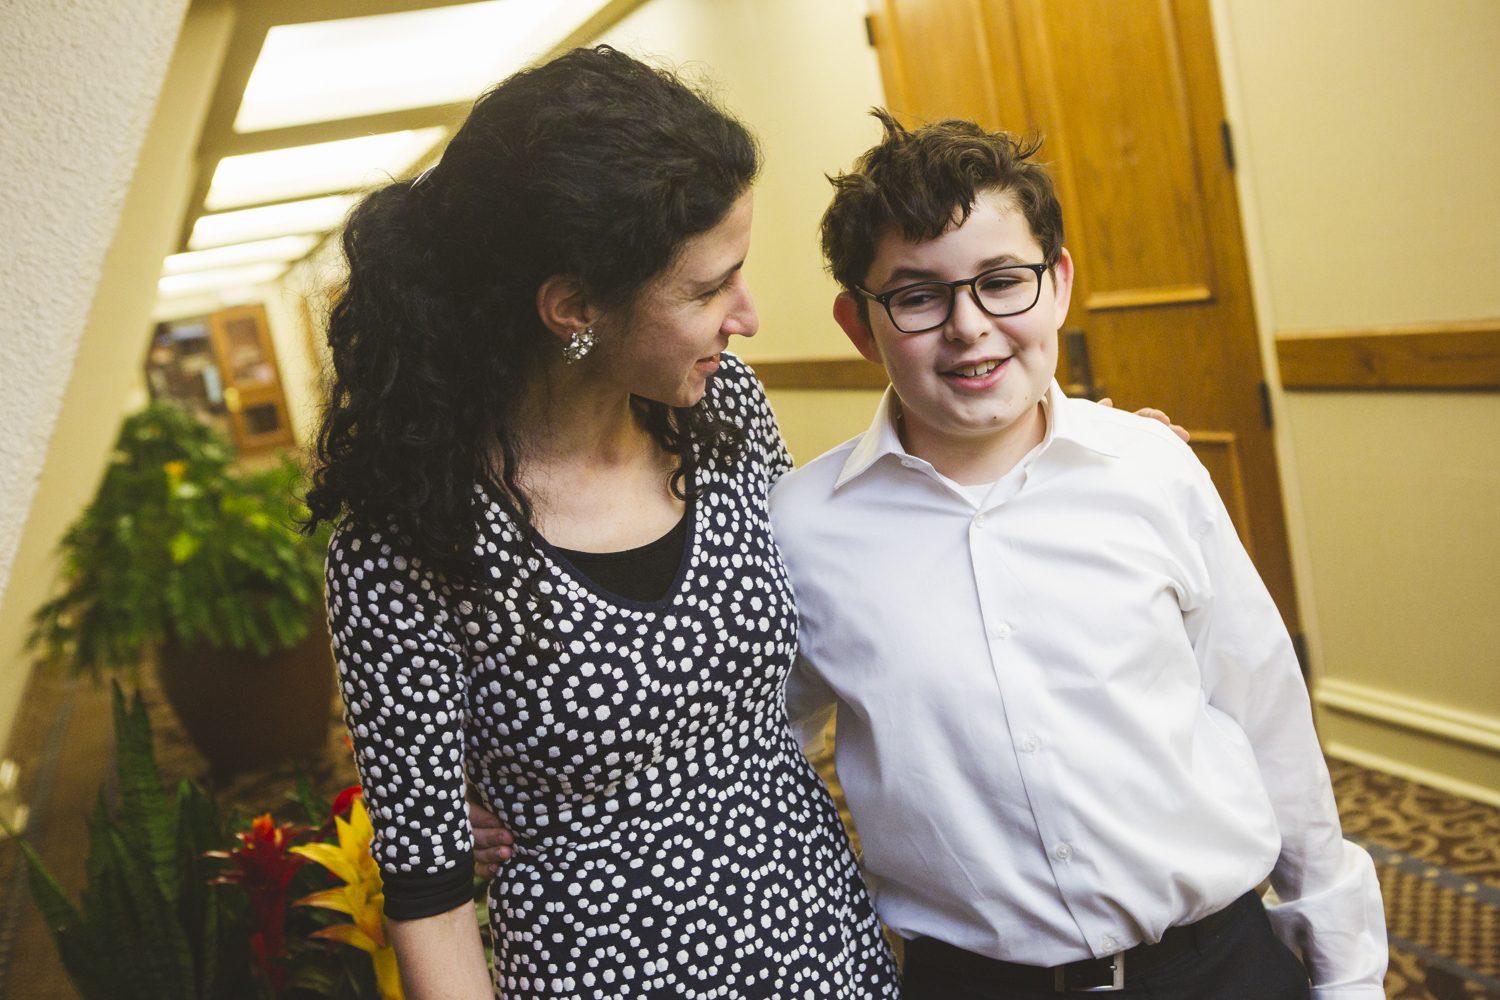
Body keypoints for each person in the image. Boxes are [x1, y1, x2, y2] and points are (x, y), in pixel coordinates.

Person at [306, 47, 900, 999]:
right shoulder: (407, 544)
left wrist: (1063, 461)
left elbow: (835, 578)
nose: (745, 316)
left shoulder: (725, 413)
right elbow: (429, 901)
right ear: (573, 307)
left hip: (826, 949)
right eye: (708, 289)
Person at [771, 113, 1388, 999]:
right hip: (975, 981)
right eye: (917, 296)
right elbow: (750, 756)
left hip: (1216, 963)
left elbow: (1268, 725)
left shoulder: (1151, 469)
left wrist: (1347, 970)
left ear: (1057, 284)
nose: (969, 327)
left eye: (1002, 282)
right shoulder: (801, 529)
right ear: (860, 325)